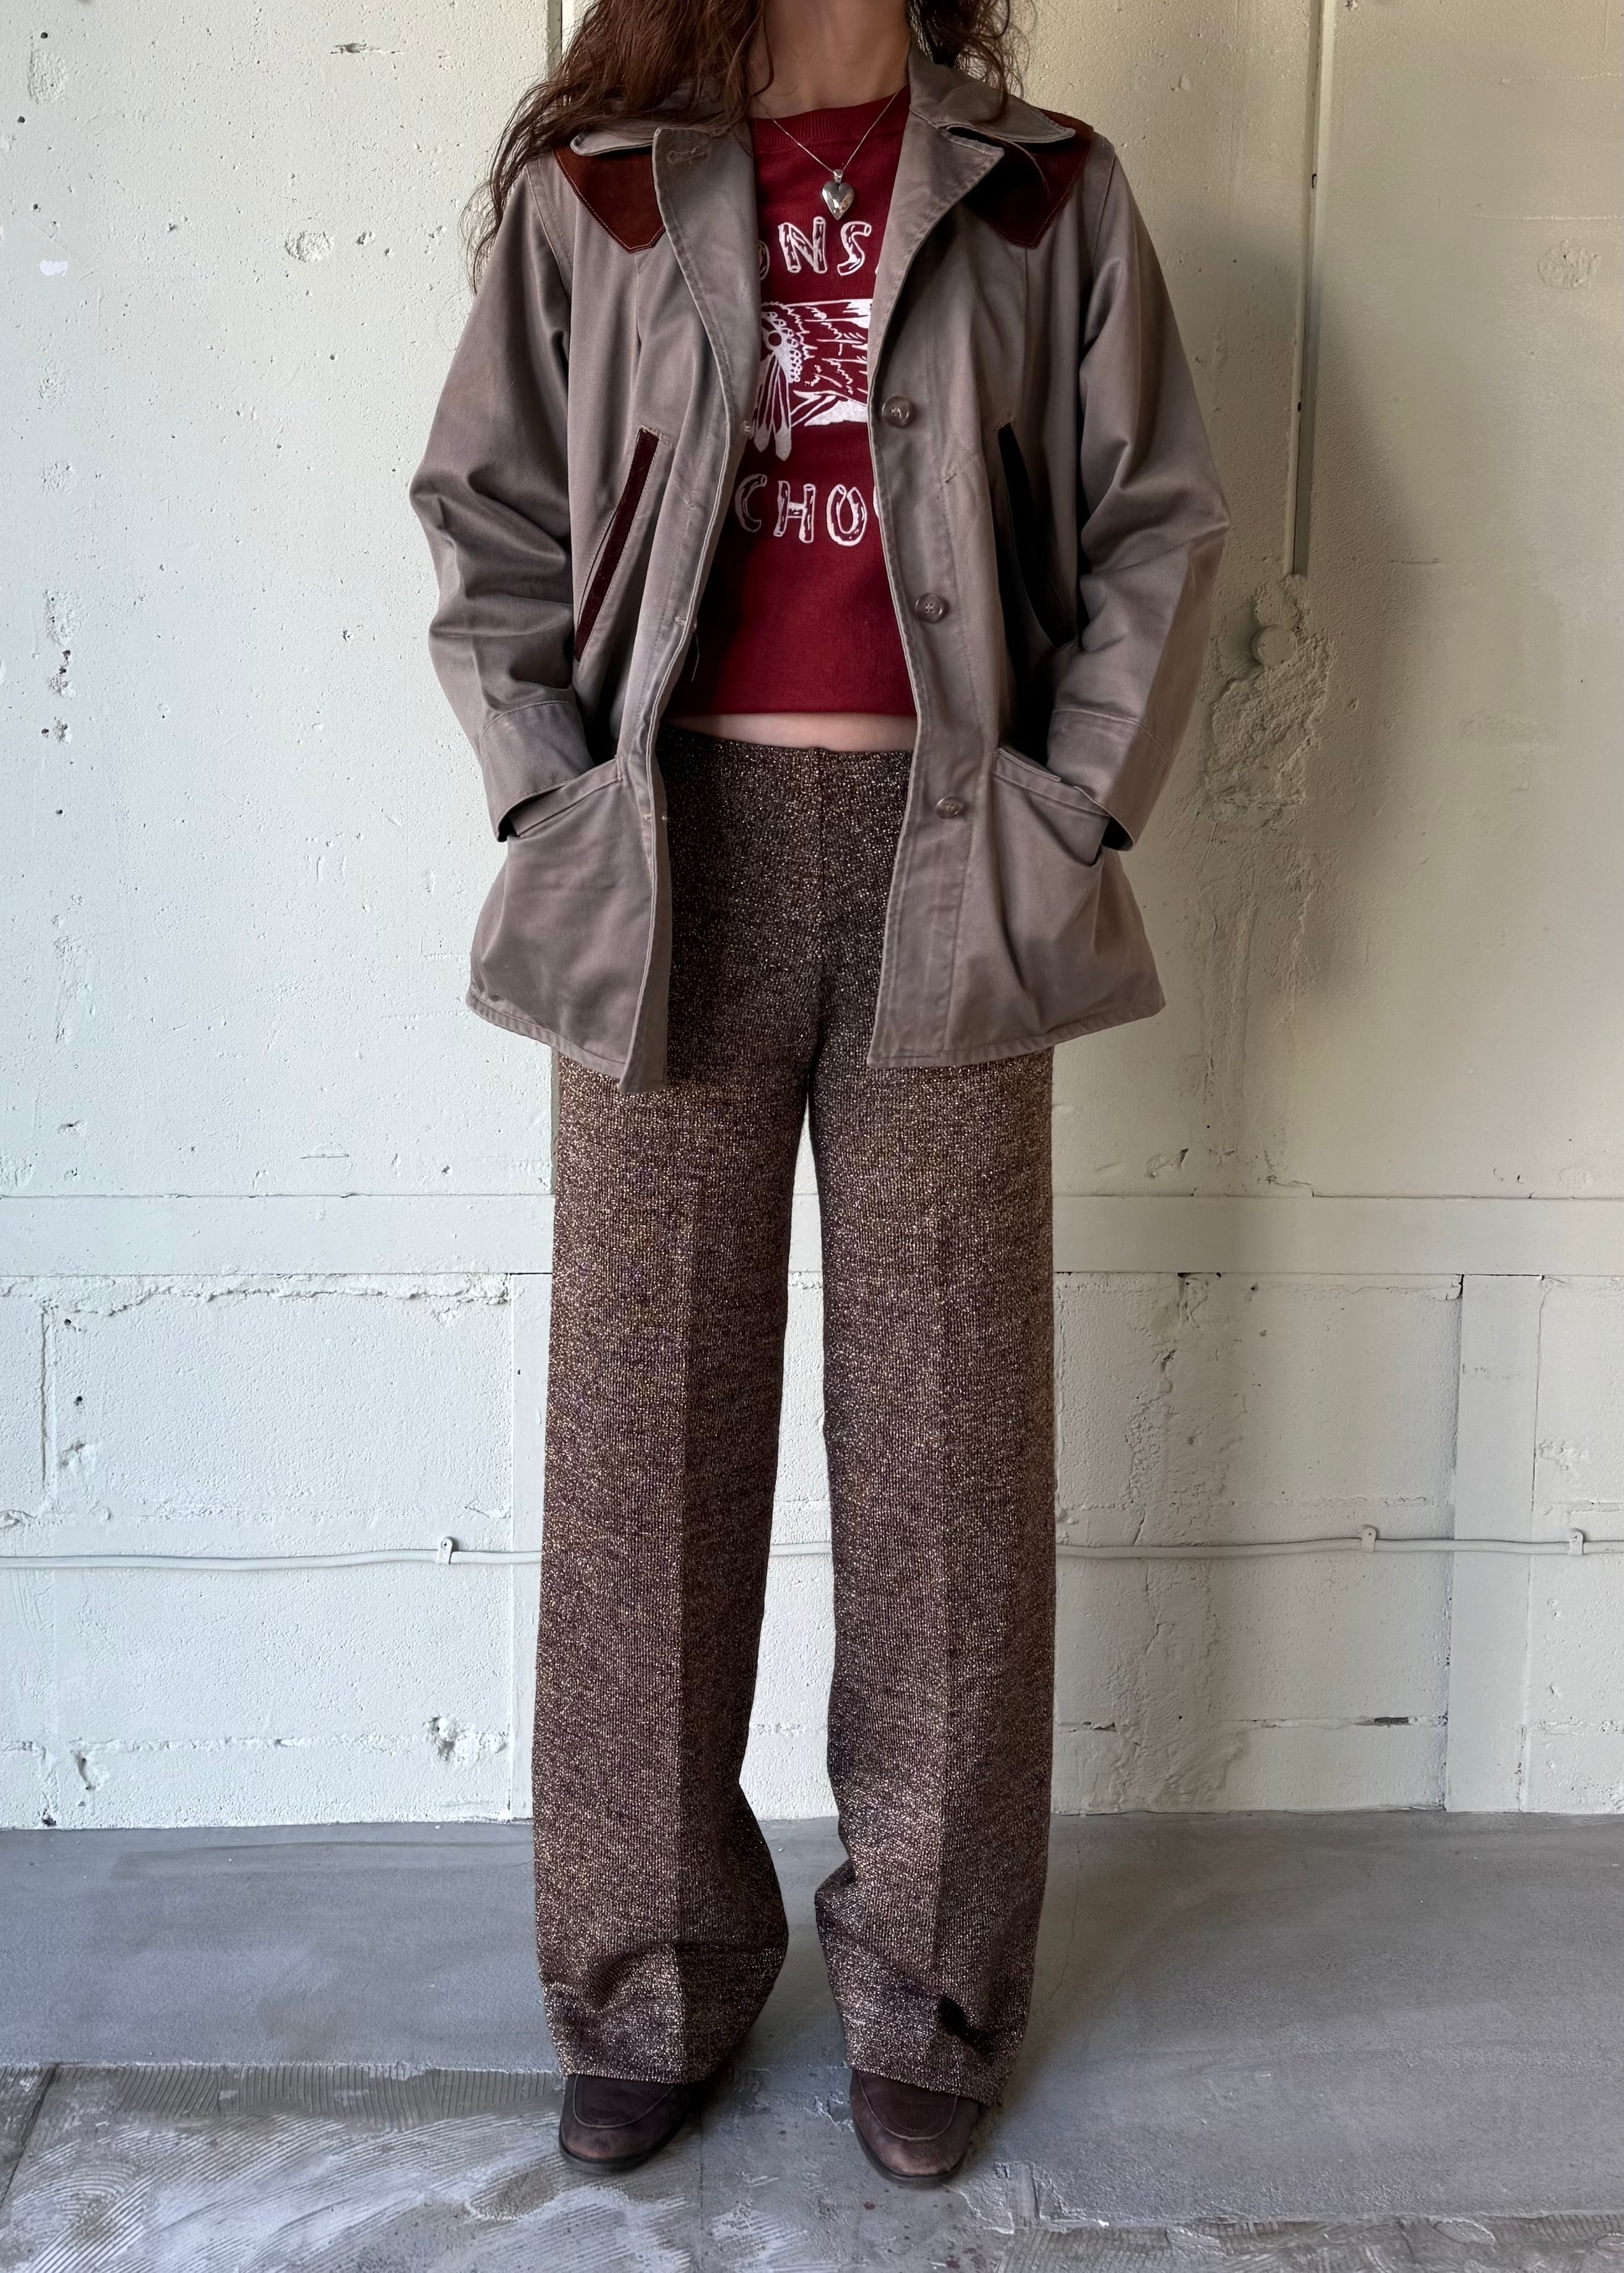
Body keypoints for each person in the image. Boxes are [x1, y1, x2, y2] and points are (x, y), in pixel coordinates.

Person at [410, 0, 1227, 2188]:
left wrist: (1065, 812)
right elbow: (484, 513)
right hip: (664, 864)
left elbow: (1156, 523)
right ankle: (642, 1978)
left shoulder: (1045, 191)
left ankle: (932, 1986)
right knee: (642, 1444)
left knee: (948, 1445)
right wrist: (550, 804)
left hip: (952, 857)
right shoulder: (599, 186)